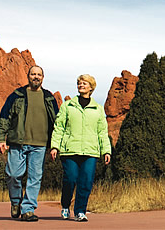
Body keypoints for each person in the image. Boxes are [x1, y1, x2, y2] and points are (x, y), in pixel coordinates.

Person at [0, 65, 59, 222]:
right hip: (18, 143)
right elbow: (5, 117)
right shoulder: (16, 96)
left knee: (34, 178)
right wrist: (1, 138)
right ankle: (16, 201)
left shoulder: (49, 97)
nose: (36, 77)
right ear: (28, 76)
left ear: (43, 78)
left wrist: (55, 144)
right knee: (13, 174)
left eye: (39, 74)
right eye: (33, 74)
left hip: (40, 145)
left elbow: (57, 123)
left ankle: (28, 209)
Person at [50, 74, 111, 222]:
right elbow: (59, 127)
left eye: (84, 83)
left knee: (86, 182)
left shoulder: (97, 109)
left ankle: (80, 211)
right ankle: (65, 206)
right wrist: (55, 146)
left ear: (91, 87)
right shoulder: (68, 106)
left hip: (91, 151)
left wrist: (106, 150)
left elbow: (102, 131)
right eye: (79, 83)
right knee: (70, 179)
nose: (81, 85)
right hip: (70, 149)